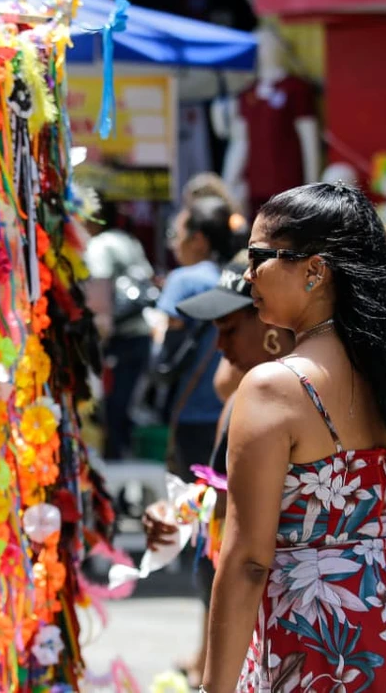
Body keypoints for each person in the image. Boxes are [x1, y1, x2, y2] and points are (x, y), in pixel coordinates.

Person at [201, 183, 386, 692]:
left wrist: (213, 688)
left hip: (323, 628)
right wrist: (369, 513)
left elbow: (247, 560)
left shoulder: (273, 387)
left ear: (314, 270)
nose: (248, 275)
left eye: (259, 257)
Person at [143, 256, 295, 686]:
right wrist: (178, 512)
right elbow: (228, 498)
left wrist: (217, 681)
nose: (220, 347)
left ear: (270, 325)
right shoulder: (241, 400)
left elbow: (249, 554)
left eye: (228, 330)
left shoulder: (282, 402)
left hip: (288, 623)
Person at [155, 196, 234, 482]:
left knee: (193, 499)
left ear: (198, 239)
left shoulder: (183, 280)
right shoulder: (235, 278)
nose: (173, 244)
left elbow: (164, 354)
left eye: (176, 235)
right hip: (233, 410)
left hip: (193, 412)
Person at [82, 195, 155, 459]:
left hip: (119, 340)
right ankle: (125, 456)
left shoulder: (99, 246)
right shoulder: (130, 241)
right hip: (141, 333)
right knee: (125, 405)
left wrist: (96, 342)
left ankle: (115, 464)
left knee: (111, 407)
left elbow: (100, 298)